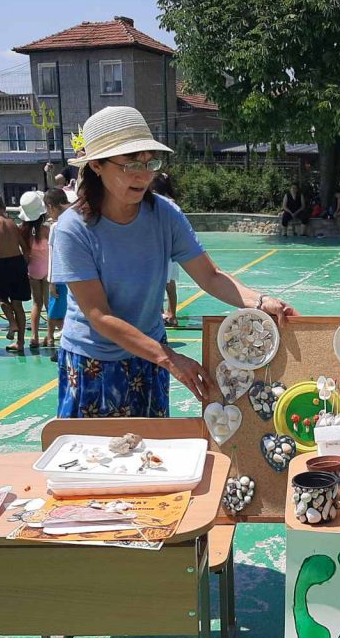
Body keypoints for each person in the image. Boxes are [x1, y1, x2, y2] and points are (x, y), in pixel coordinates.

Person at [52, 106, 297, 418]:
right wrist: (169, 358)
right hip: (94, 362)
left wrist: (260, 301)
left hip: (151, 354)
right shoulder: (73, 228)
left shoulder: (164, 215)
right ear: (97, 165)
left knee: (152, 444)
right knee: (95, 448)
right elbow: (99, 316)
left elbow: (210, 276)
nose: (144, 175)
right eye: (130, 164)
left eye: (150, 163)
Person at [0, 191, 31, 353]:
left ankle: (12, 322)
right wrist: (24, 263)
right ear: (2, 207)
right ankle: (21, 342)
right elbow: (24, 247)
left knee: (3, 299)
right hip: (18, 262)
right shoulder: (11, 223)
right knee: (18, 304)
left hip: (3, 264)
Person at [17, 191, 53, 349]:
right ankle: (50, 337)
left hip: (33, 269)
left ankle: (34, 337)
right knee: (48, 304)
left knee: (36, 304)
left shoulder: (23, 231)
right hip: (47, 269)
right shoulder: (46, 230)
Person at [43, 188, 71, 363]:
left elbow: (52, 255)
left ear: (50, 207)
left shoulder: (56, 227)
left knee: (58, 315)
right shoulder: (76, 220)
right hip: (74, 277)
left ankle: (65, 348)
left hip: (60, 279)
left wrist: (51, 281)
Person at [150, 172, 180, 327]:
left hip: (162, 250)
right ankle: (171, 314)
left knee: (160, 284)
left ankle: (163, 314)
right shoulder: (171, 202)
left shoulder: (161, 204)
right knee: (170, 284)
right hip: (171, 251)